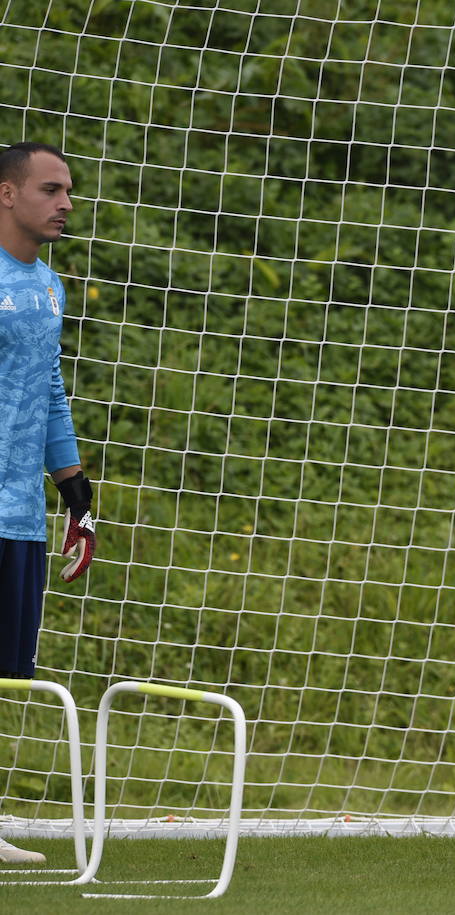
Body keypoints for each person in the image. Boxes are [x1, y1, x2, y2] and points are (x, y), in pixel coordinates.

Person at [0, 142, 97, 866]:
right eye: (51, 188)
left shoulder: (50, 287)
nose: (66, 202)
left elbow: (50, 390)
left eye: (68, 190)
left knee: (5, 670)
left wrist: (73, 487)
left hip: (20, 516)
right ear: (8, 194)